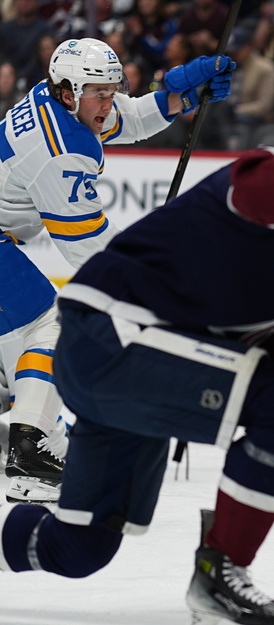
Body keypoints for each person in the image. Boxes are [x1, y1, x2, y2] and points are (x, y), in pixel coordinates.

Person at [0, 96, 274, 625]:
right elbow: (256, 188)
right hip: (111, 336)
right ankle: (219, 583)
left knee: (80, 549)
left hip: (141, 362)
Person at [0, 38, 233, 503]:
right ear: (70, 92)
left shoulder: (61, 104)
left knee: (24, 350)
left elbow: (128, 118)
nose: (108, 103)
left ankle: (24, 423)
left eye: (112, 89)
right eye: (100, 94)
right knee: (57, 322)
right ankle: (28, 456)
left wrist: (176, 96)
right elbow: (91, 255)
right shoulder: (60, 150)